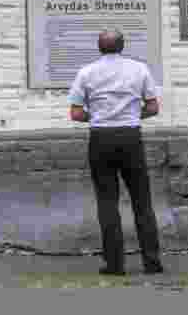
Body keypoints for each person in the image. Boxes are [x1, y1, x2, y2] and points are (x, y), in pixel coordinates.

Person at [67, 30, 165, 276]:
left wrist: (98, 116)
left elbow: (76, 113)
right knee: (142, 200)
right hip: (131, 137)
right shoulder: (139, 69)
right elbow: (153, 107)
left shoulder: (86, 73)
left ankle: (114, 264)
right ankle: (152, 262)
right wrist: (132, 115)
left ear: (99, 47)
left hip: (101, 139)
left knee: (107, 202)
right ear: (122, 46)